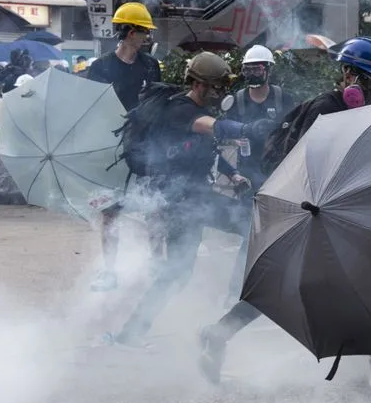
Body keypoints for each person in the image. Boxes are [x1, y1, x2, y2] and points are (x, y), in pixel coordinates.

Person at [197, 38, 371, 382]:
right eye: (366, 78)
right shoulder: (325, 109)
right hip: (304, 208)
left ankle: (219, 334)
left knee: (328, 282)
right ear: (346, 75)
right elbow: (306, 167)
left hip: (330, 211)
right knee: (291, 285)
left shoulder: (362, 112)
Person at [104, 53, 267, 347]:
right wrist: (246, 129)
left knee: (252, 225)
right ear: (197, 83)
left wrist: (233, 176)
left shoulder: (200, 108)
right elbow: (212, 127)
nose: (218, 92)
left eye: (220, 87)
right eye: (213, 86)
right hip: (178, 201)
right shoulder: (180, 109)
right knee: (178, 274)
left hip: (197, 197)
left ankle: (238, 298)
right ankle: (130, 335)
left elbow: (211, 149)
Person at [82, 3, 163, 292]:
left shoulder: (150, 65)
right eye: (144, 32)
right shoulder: (101, 67)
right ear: (130, 32)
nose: (147, 38)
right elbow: (91, 108)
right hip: (113, 149)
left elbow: (159, 102)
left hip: (146, 146)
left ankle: (158, 264)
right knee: (110, 210)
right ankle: (109, 271)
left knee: (155, 207)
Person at [216, 45, 288, 303]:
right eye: (248, 69)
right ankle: (236, 293)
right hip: (247, 178)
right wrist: (241, 133)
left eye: (257, 68)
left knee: (279, 235)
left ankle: (273, 293)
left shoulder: (282, 98)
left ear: (268, 69)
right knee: (251, 235)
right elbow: (221, 129)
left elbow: (300, 126)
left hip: (280, 176)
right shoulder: (237, 101)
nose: (253, 73)